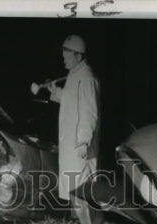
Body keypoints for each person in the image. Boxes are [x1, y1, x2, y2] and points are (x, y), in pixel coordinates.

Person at [35, 34, 101, 203]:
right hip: (71, 144)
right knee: (73, 187)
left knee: (81, 187)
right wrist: (54, 91)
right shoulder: (74, 74)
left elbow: (89, 111)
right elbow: (71, 101)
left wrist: (83, 141)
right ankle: (78, 223)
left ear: (78, 56)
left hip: (79, 146)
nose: (63, 55)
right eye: (63, 51)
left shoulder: (86, 78)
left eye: (67, 52)